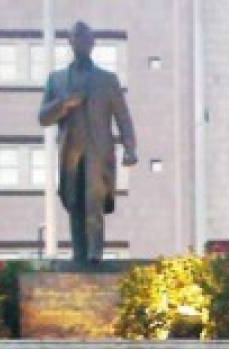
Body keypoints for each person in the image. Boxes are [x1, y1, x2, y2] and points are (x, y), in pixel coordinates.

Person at [38, 21, 137, 266]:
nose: (81, 42)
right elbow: (43, 117)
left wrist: (130, 147)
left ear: (92, 44)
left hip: (98, 152)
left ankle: (94, 254)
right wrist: (65, 104)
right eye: (76, 38)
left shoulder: (107, 80)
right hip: (71, 152)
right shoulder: (57, 80)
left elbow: (122, 116)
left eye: (86, 38)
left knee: (94, 202)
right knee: (74, 202)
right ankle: (79, 254)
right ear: (70, 42)